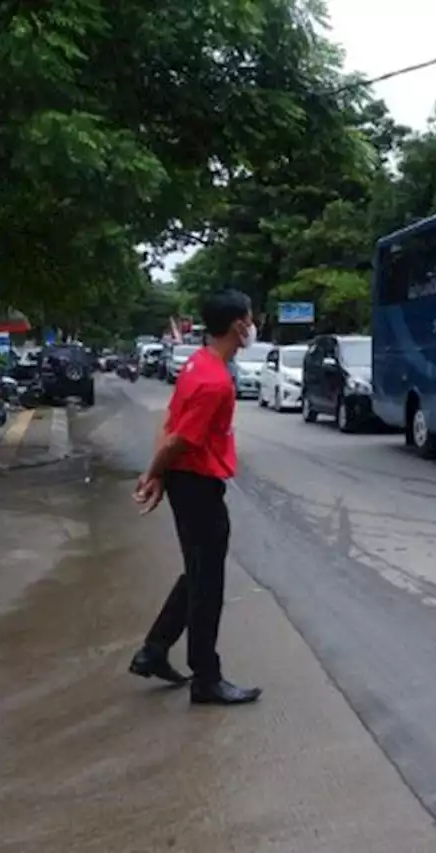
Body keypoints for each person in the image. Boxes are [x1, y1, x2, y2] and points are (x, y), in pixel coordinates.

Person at [128, 289, 262, 705]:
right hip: (199, 488)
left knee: (198, 572)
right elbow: (182, 438)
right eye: (251, 318)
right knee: (208, 586)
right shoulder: (215, 381)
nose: (252, 326)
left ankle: (154, 650)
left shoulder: (196, 364)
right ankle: (207, 677)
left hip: (187, 482)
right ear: (239, 325)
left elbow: (169, 423)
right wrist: (153, 474)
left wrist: (159, 474)